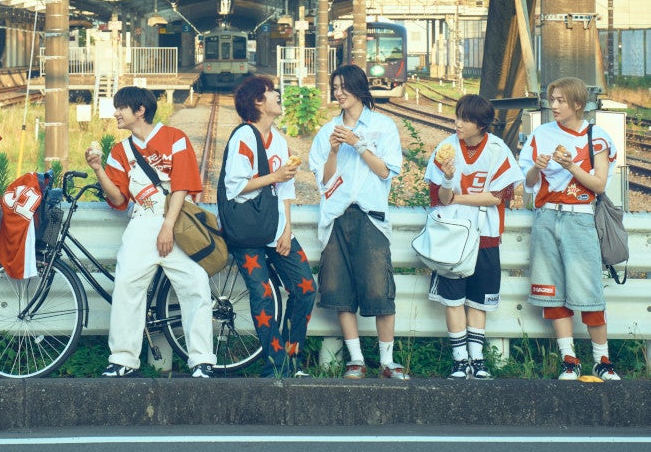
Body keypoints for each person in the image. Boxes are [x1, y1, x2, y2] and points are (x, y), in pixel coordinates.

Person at [85, 85, 215, 378]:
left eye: (121, 107)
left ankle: (202, 359)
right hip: (142, 220)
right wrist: (98, 169)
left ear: (140, 110)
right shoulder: (119, 151)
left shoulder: (175, 138)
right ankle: (122, 359)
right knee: (127, 286)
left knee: (194, 286)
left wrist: (167, 226)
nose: (116, 113)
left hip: (177, 221)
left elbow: (181, 185)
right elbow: (118, 198)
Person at [309, 63, 408, 379]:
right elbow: (324, 181)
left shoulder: (383, 126)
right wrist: (334, 151)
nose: (338, 93)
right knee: (339, 290)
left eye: (343, 87)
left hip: (371, 216)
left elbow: (385, 171)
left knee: (380, 289)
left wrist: (357, 143)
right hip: (337, 217)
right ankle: (356, 360)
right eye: (335, 88)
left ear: (358, 88)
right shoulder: (327, 130)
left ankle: (387, 362)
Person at [518, 76, 620, 381]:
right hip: (546, 216)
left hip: (580, 218)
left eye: (561, 100)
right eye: (552, 99)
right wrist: (536, 167)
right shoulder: (541, 134)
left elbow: (599, 184)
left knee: (589, 289)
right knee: (552, 291)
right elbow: (528, 182)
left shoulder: (596, 137)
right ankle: (569, 359)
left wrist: (570, 166)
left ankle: (602, 360)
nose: (554, 105)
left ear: (578, 104)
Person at [220, 75, 316, 377]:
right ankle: (276, 364)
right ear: (258, 102)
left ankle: (291, 357)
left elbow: (286, 190)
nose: (277, 95)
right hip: (247, 230)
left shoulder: (279, 140)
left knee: (305, 288)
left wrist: (286, 230)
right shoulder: (243, 137)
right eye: (271, 92)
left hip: (276, 228)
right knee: (262, 295)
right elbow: (235, 186)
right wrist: (274, 176)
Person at [424, 94, 523, 379]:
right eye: (457, 116)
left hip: (485, 234)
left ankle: (477, 359)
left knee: (479, 299)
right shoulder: (445, 149)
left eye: (465, 119)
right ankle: (459, 360)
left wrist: (459, 197)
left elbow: (499, 196)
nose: (458, 123)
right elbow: (439, 198)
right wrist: (447, 179)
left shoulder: (496, 149)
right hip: (451, 236)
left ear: (481, 124)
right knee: (453, 299)